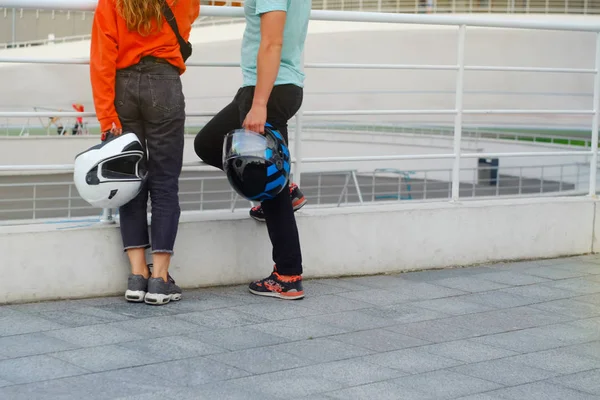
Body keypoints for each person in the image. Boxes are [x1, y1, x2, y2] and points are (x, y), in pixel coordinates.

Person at [194, 0, 311, 300]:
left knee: (270, 186)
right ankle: (287, 189)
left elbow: (272, 41)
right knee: (208, 143)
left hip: (268, 90)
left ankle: (287, 276)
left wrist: (259, 104)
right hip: (272, 85)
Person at [90, 0, 199, 305]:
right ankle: (160, 280)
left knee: (130, 181)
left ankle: (137, 276)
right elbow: (188, 21)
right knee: (165, 181)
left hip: (122, 86)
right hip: (164, 81)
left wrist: (106, 116)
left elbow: (102, 58)